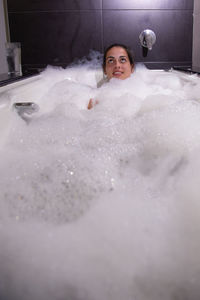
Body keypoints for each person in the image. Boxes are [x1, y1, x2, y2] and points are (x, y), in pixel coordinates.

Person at [88, 43, 134, 109]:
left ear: (132, 67)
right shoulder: (95, 100)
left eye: (123, 60)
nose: (117, 65)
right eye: (111, 61)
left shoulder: (144, 93)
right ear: (104, 69)